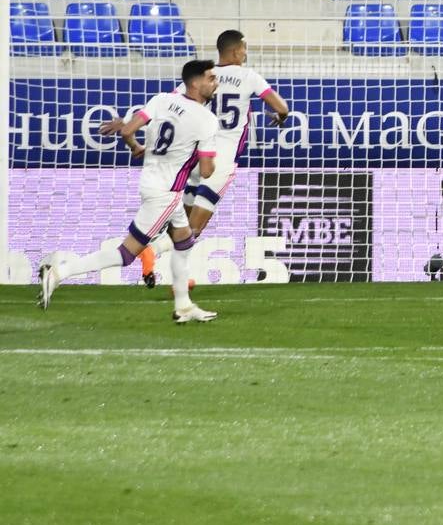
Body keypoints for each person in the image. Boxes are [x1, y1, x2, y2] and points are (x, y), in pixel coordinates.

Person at [39, 60, 222, 323]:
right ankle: (59, 272)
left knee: (183, 241)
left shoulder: (162, 99)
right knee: (126, 254)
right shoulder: (206, 119)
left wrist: (136, 147)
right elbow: (206, 172)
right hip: (167, 192)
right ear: (195, 83)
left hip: (150, 181)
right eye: (211, 78)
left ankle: (183, 305)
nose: (215, 83)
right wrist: (211, 159)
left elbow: (126, 130)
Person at [180, 30, 289, 240]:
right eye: (244, 49)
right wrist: (281, 116)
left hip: (196, 156)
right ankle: (157, 256)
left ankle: (159, 266)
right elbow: (281, 106)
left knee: (180, 226)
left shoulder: (204, 75)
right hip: (221, 160)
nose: (246, 53)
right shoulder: (248, 76)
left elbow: (176, 99)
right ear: (236, 51)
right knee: (192, 232)